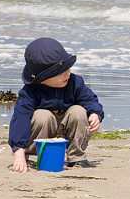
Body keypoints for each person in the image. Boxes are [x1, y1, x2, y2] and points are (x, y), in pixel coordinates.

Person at [9, 37, 104, 172]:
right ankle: (32, 156)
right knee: (42, 115)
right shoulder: (29, 93)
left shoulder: (75, 82)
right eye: (61, 72)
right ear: (42, 80)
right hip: (41, 133)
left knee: (78, 111)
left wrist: (95, 113)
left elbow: (89, 100)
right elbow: (20, 121)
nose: (68, 73)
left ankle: (76, 156)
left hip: (67, 130)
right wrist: (18, 153)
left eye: (68, 68)